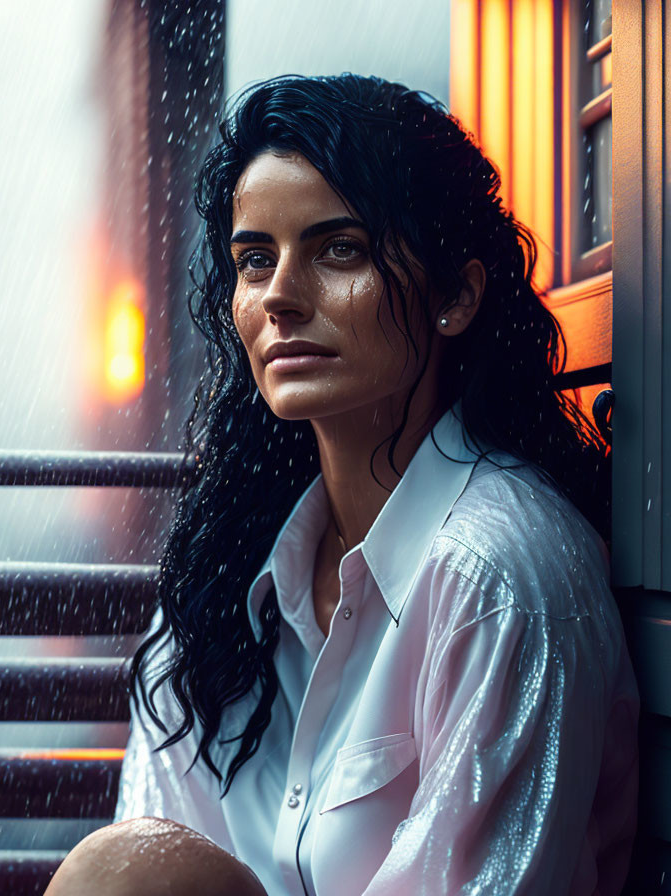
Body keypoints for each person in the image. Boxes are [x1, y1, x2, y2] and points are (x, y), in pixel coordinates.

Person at [45, 73, 639, 896]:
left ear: (457, 296)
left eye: (338, 250)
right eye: (255, 260)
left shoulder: (501, 578)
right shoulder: (222, 579)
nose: (280, 296)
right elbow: (160, 849)